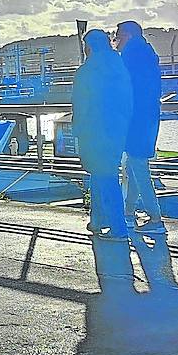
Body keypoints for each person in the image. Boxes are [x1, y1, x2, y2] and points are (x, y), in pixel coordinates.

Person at [73, 29, 132, 241]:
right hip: (117, 130)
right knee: (101, 175)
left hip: (94, 131)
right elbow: (128, 100)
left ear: (89, 47)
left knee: (104, 177)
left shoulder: (87, 71)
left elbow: (81, 105)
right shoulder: (119, 66)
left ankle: (118, 228)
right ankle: (97, 219)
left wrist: (78, 130)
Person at [115, 21, 164, 232]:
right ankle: (128, 211)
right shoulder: (147, 53)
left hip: (136, 118)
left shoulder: (130, 56)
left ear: (128, 35)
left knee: (138, 166)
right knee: (134, 165)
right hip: (149, 116)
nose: (116, 41)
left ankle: (155, 217)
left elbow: (124, 89)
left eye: (118, 36)